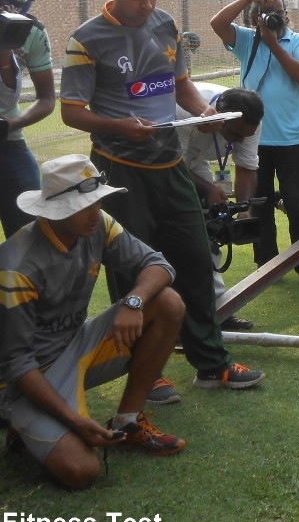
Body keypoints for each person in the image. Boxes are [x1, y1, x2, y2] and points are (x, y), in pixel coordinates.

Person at [60, 0, 265, 407]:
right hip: (118, 169)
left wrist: (203, 112)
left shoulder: (165, 24)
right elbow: (71, 112)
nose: (148, 5)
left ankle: (212, 364)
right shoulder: (86, 39)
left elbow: (181, 84)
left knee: (195, 260)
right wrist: (121, 125)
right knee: (131, 271)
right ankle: (144, 371)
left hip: (170, 167)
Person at [0, 155, 186, 489]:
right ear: (55, 210)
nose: (95, 210)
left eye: (97, 200)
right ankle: (20, 424)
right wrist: (76, 422)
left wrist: (134, 301)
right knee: (81, 471)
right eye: (84, 204)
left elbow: (158, 265)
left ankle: (127, 421)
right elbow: (17, 363)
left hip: (76, 346)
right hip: (25, 378)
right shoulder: (16, 266)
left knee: (167, 303)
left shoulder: (98, 224)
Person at [210, 0, 299, 290]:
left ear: (287, 13)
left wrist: (273, 44)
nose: (273, 17)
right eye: (266, 12)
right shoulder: (247, 41)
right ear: (255, 17)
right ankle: (267, 266)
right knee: (258, 205)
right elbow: (217, 22)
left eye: (276, 11)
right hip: (254, 140)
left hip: (291, 140)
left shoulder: (298, 41)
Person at [177, 86, 264, 331]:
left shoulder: (249, 124)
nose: (241, 140)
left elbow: (246, 167)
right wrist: (207, 189)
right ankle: (182, 314)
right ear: (219, 117)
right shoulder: (184, 113)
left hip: (195, 162)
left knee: (211, 236)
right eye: (235, 135)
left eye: (247, 135)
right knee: (185, 237)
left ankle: (218, 311)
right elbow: (173, 166)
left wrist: (243, 210)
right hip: (162, 165)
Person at [0, 0, 56, 239]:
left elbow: (46, 99)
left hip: (7, 139)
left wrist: (12, 124)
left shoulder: (32, 31)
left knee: (31, 227)